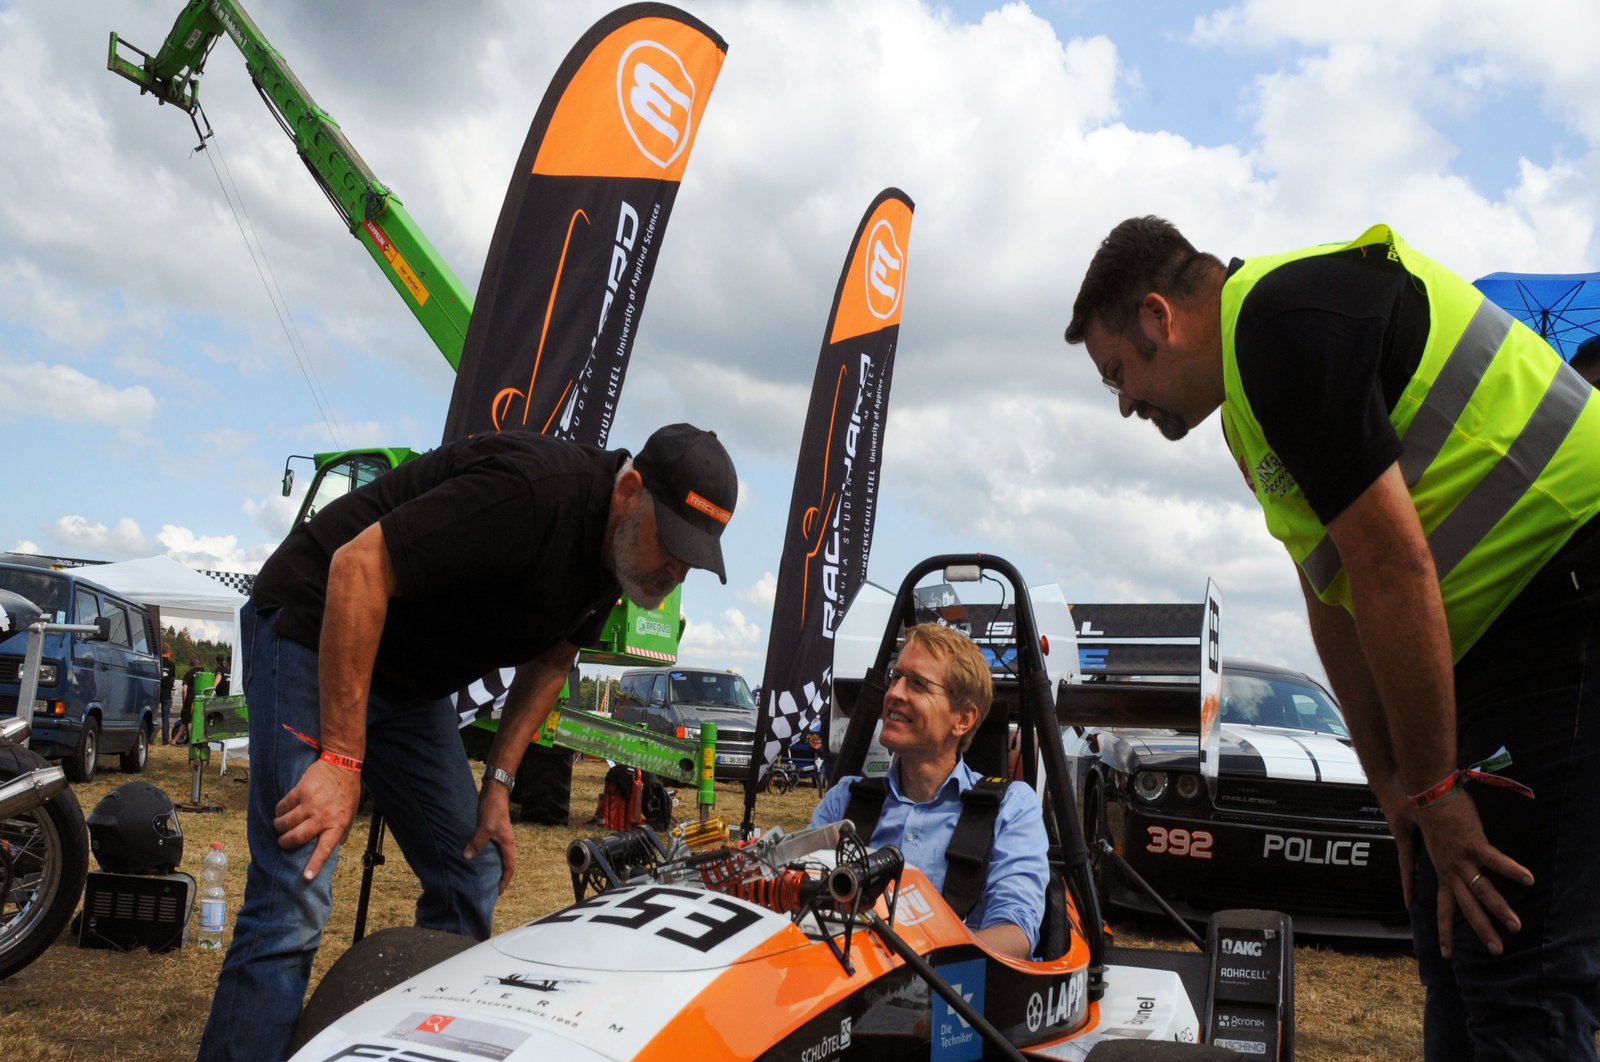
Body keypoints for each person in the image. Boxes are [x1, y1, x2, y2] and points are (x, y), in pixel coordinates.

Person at [1065, 217, 1600, 1059]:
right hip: (1508, 632)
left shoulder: (1281, 326)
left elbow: (1393, 564)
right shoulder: (1245, 410)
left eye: (1116, 373)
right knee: (1446, 939)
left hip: (1568, 593)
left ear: (1159, 317)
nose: (1125, 402)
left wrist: (1435, 789)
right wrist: (1392, 782)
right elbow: (1332, 590)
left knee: (1513, 962)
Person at [197, 423, 738, 1061]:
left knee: (471, 867)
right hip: (315, 627)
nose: (675, 570)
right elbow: (356, 568)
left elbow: (553, 661)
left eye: (691, 558)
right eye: (671, 543)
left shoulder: (614, 562)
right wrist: (341, 758)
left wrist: (499, 785)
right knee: (297, 887)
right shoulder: (531, 492)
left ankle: (416, 1047)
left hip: (406, 680)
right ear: (629, 491)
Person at [810, 624, 1048, 960]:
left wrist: (910, 964)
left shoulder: (1011, 808)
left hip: (954, 987)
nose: (895, 693)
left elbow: (1015, 933)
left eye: (918, 684)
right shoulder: (845, 800)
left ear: (962, 720)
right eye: (895, 677)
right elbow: (796, 895)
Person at [173, 655, 202, 745]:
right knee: (186, 721)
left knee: (188, 720)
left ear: (189, 664)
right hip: (201, 699)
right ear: (198, 662)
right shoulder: (203, 671)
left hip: (190, 699)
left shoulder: (188, 674)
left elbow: (184, 690)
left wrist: (185, 701)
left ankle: (192, 741)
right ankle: (174, 741)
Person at [158, 647, 176, 744]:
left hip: (156, 691)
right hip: (167, 693)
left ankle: (149, 738)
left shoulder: (157, 662)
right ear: (169, 652)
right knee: (165, 718)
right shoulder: (171, 665)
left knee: (151, 716)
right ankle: (165, 741)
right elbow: (172, 679)